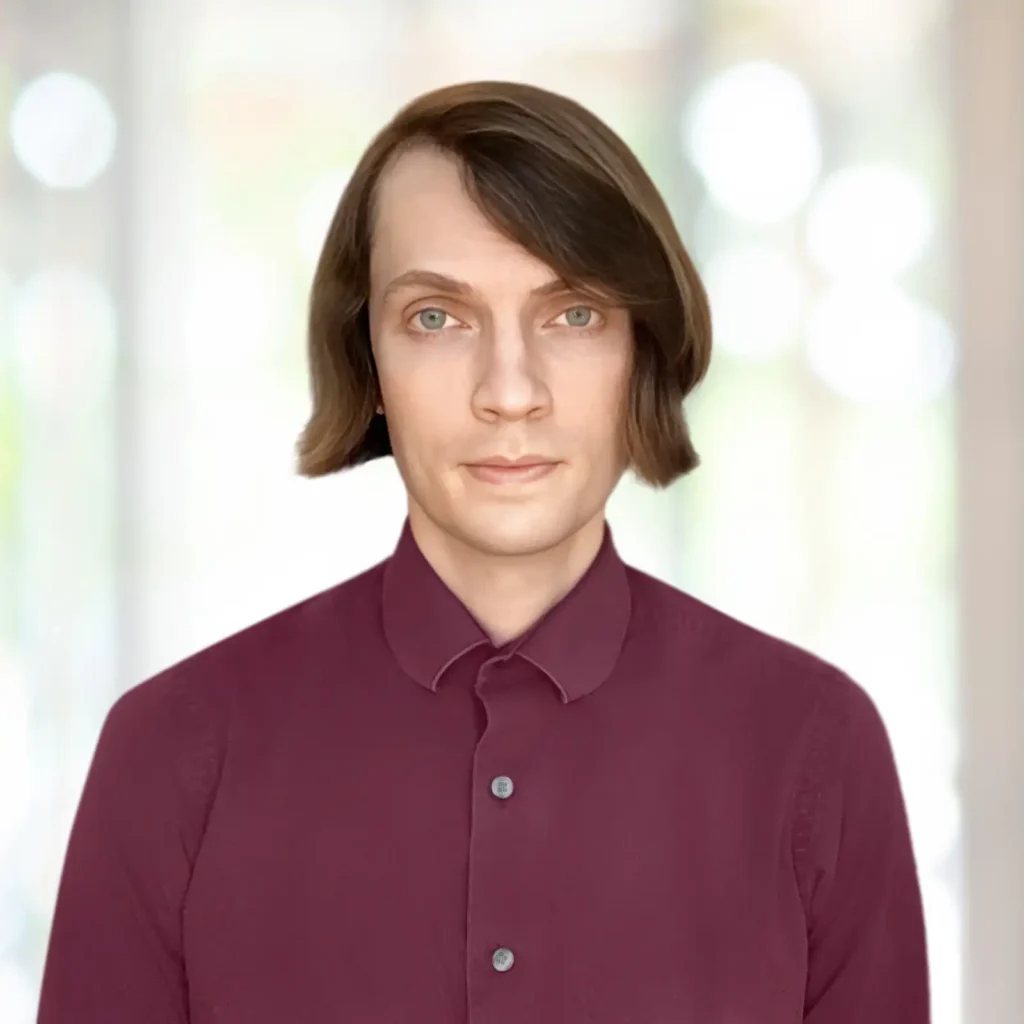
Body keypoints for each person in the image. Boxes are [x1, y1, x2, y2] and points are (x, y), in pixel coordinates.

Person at [36, 80, 930, 1023]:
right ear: (368, 363)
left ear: (643, 353)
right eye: (437, 318)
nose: (511, 391)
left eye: (573, 314)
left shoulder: (813, 749)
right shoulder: (172, 752)